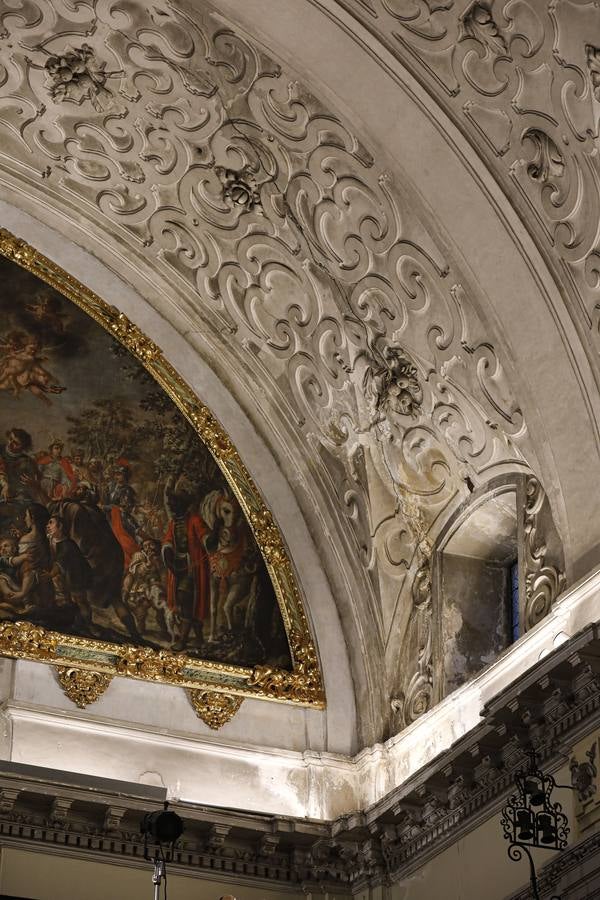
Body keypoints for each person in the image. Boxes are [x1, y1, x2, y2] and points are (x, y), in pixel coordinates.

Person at [162, 477, 209, 651]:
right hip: (178, 566)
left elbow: (206, 540)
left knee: (186, 599)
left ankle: (182, 640)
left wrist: (216, 532)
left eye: (175, 504)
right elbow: (167, 540)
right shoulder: (174, 523)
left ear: (182, 505)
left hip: (192, 568)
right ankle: (199, 638)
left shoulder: (195, 520)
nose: (172, 507)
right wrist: (167, 553)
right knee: (187, 602)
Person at [46, 514, 93, 630]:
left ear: (60, 526)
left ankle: (88, 624)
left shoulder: (68, 544)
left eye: (51, 523)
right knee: (67, 600)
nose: (48, 526)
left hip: (77, 575)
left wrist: (50, 575)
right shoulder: (52, 540)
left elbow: (59, 562)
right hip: (65, 576)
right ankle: (74, 622)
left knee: (80, 600)